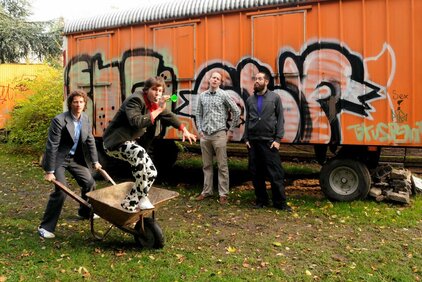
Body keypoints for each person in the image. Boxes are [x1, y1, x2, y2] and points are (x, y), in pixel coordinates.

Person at [103, 76, 196, 212]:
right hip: (114, 143)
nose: (157, 93)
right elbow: (137, 121)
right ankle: (143, 197)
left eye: (160, 90)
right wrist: (159, 109)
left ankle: (130, 203)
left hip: (128, 142)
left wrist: (184, 130)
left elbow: (169, 115)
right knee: (139, 153)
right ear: (146, 90)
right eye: (154, 90)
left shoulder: (154, 104)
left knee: (152, 172)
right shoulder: (135, 100)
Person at [38, 90, 102, 239]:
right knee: (61, 190)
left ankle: (85, 212)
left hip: (74, 159)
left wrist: (95, 161)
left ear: (85, 104)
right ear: (70, 104)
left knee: (89, 182)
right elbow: (52, 145)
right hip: (58, 159)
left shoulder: (85, 119)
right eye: (75, 102)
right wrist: (49, 170)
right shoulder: (59, 120)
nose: (78, 105)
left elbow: (90, 140)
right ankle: (45, 227)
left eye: (81, 102)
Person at [242, 71, 291, 212]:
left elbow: (280, 119)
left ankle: (280, 203)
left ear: (266, 82)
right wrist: (246, 138)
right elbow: (248, 120)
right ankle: (261, 200)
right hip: (253, 142)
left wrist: (278, 139)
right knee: (256, 173)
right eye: (255, 79)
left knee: (275, 174)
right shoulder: (250, 100)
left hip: (269, 142)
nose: (256, 81)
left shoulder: (275, 98)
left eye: (259, 79)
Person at [195, 72, 240, 205]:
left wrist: (230, 130)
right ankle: (207, 191)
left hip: (219, 134)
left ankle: (223, 194)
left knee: (222, 165)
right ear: (209, 80)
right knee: (206, 165)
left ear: (220, 82)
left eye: (218, 79)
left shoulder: (224, 95)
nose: (215, 80)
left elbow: (236, 111)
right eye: (213, 77)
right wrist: (200, 129)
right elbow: (198, 113)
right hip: (205, 136)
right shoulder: (202, 96)